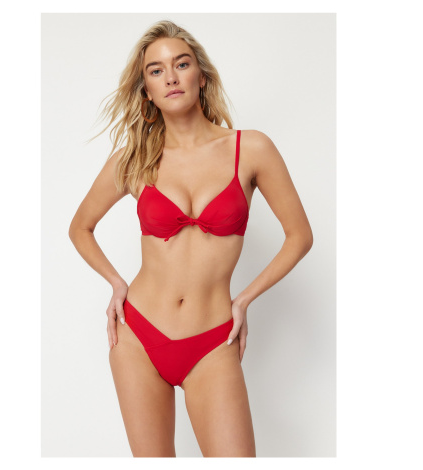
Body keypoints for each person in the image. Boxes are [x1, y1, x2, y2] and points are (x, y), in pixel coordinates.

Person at [69, 19, 313, 458]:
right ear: (147, 90)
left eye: (181, 64)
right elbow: (80, 227)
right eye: (156, 70)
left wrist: (243, 300)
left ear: (201, 76)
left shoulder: (250, 149)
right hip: (138, 336)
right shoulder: (134, 159)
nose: (171, 77)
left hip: (213, 339)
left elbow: (299, 236)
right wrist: (116, 283)